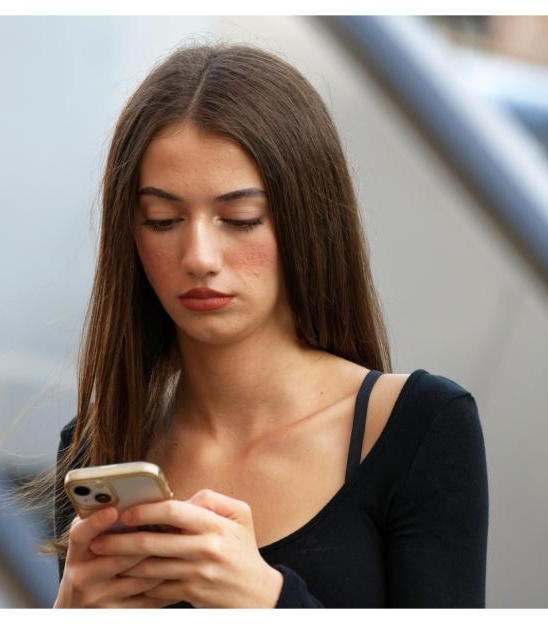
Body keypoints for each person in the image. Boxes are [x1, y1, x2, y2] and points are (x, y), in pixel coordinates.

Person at [44, 42, 488, 608]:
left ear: (306, 220)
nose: (199, 255)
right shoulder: (97, 448)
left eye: (240, 219)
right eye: (162, 220)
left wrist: (268, 600)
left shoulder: (420, 428)